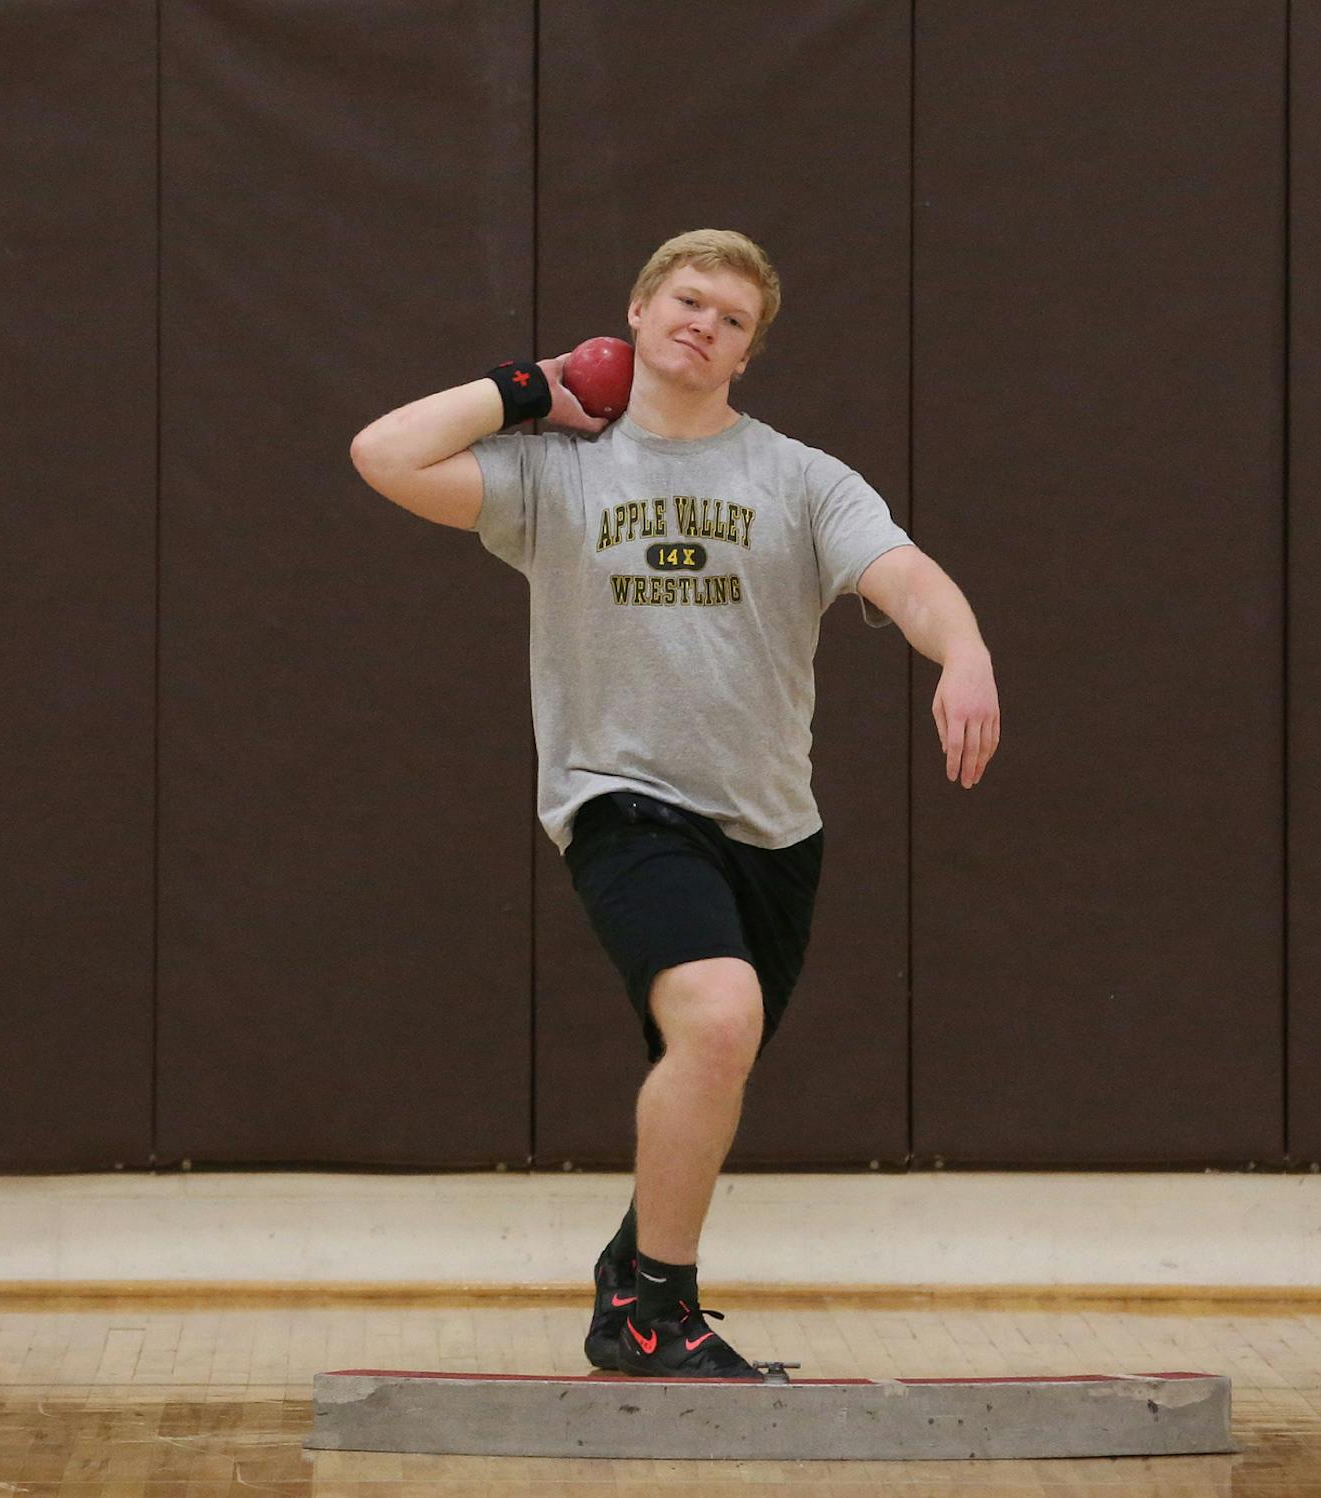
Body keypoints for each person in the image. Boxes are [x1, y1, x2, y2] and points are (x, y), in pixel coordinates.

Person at [349, 229, 999, 1379]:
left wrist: (966, 651)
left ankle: (627, 1286)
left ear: (747, 354)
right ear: (638, 315)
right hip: (622, 802)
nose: (706, 323)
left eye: (733, 319)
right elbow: (384, 453)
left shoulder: (799, 477)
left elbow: (906, 578)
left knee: (716, 1052)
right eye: (688, 301)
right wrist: (528, 390)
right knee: (716, 1017)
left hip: (772, 831)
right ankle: (661, 1312)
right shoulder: (558, 476)